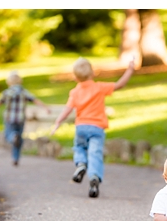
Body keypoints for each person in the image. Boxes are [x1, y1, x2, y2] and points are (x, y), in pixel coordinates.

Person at [50, 57, 135, 198]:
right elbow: (120, 84)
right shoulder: (99, 87)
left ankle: (81, 164)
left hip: (81, 127)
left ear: (76, 78)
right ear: (93, 74)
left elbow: (68, 109)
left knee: (79, 148)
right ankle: (94, 177)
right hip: (97, 128)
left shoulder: (75, 92)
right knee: (95, 154)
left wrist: (58, 122)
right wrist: (130, 69)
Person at [0, 72, 51, 165]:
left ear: (9, 82)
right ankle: (16, 158)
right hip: (20, 119)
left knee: (9, 136)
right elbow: (35, 100)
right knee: (18, 140)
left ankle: (13, 137)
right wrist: (45, 108)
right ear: (20, 82)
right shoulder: (24, 92)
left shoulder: (6, 93)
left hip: (9, 119)